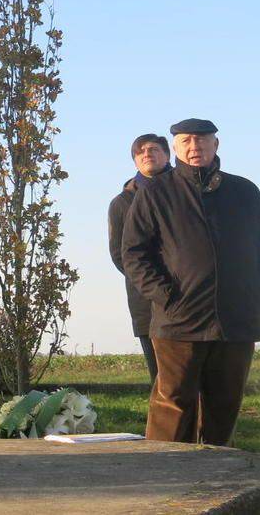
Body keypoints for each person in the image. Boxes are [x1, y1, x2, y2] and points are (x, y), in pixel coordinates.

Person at [122, 118, 260, 445]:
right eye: (186, 142)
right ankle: (162, 477)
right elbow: (134, 253)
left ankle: (217, 479)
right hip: (178, 320)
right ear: (176, 149)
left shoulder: (244, 191)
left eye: (202, 141)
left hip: (236, 320)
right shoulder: (155, 193)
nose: (195, 148)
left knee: (224, 405)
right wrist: (167, 297)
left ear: (216, 145)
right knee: (173, 404)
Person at [107, 133, 172, 382]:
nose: (147, 154)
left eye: (154, 149)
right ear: (135, 161)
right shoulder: (122, 203)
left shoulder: (190, 191)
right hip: (148, 299)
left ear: (167, 155)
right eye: (140, 151)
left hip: (196, 296)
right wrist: (157, 286)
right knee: (161, 378)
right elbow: (120, 254)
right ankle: (165, 422)